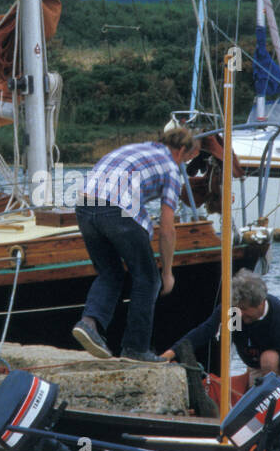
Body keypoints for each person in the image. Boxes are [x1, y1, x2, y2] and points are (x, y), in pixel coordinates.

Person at [72, 125, 200, 361]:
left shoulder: (135, 148)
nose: (184, 165)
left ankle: (89, 323)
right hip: (117, 208)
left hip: (84, 205)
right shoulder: (171, 168)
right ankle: (136, 348)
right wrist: (168, 272)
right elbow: (168, 228)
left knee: (110, 273)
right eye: (188, 158)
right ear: (182, 150)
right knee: (148, 278)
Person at [160, 269, 280, 389]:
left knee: (269, 359)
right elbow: (205, 332)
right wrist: (170, 353)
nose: (240, 314)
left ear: (260, 304)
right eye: (237, 308)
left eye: (244, 308)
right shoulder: (236, 313)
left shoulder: (277, 315)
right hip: (255, 361)